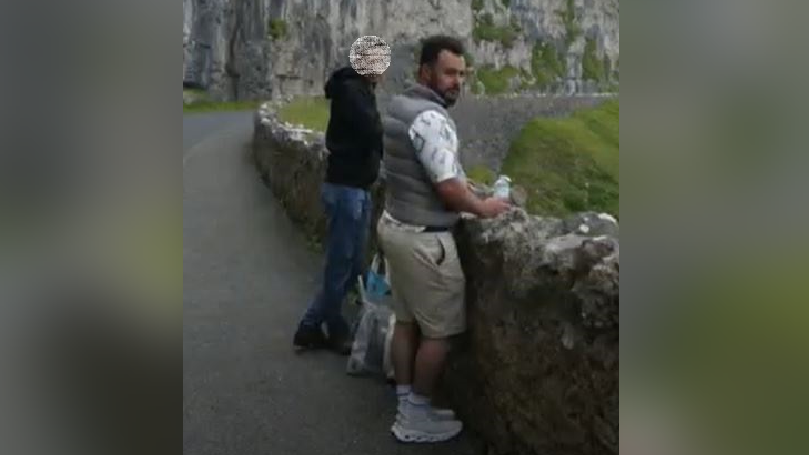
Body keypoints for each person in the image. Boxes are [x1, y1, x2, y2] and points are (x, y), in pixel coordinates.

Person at [377, 36, 511, 443]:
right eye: (449, 73)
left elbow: (420, 171)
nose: (457, 82)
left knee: (405, 321)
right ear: (425, 72)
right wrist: (487, 208)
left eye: (462, 75)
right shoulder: (432, 119)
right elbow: (449, 190)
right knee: (441, 332)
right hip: (425, 241)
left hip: (395, 227)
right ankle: (414, 417)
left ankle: (404, 399)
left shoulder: (399, 106)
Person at [292, 40, 387, 355]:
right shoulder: (352, 92)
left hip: (356, 188)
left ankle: (327, 326)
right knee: (340, 265)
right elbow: (371, 130)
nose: (384, 69)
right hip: (346, 189)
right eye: (378, 62)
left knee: (354, 264)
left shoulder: (358, 89)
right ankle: (316, 327)